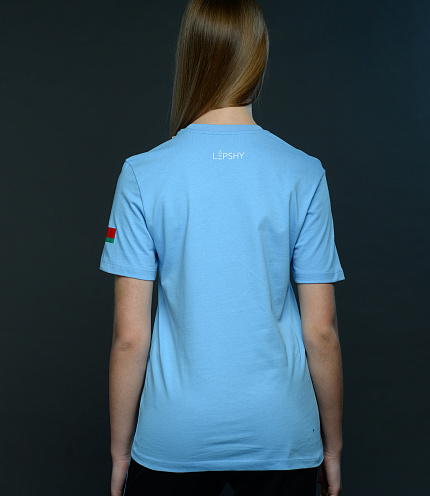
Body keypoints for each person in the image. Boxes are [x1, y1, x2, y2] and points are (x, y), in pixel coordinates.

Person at [99, 1, 345, 495]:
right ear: (259, 57)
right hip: (282, 433)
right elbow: (321, 332)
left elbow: (130, 336)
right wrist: (333, 448)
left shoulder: (142, 174)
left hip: (174, 436)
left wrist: (120, 453)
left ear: (190, 55)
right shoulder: (303, 172)